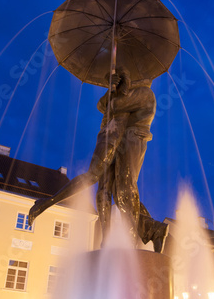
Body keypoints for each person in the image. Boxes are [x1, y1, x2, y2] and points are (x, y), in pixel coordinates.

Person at [28, 68, 168, 253]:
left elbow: (111, 107)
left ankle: (138, 240)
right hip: (117, 138)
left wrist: (118, 87)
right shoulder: (127, 96)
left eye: (127, 74)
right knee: (104, 191)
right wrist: (112, 87)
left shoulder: (144, 94)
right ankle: (133, 234)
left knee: (124, 191)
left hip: (133, 140)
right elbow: (102, 105)